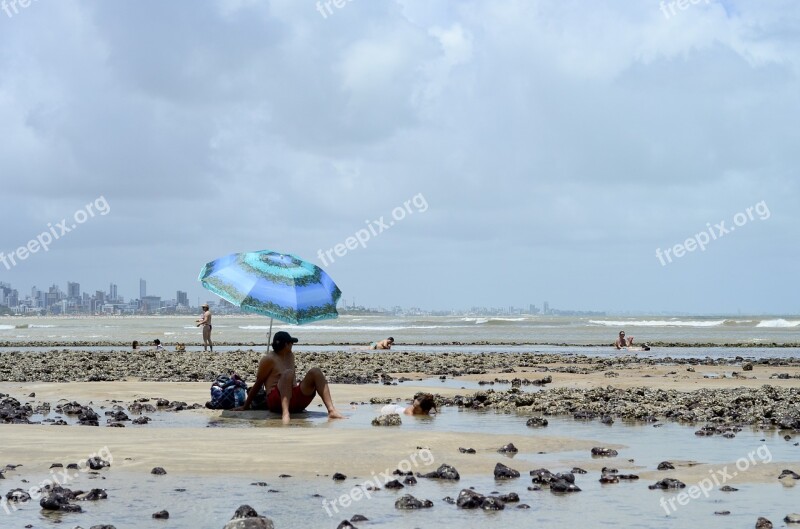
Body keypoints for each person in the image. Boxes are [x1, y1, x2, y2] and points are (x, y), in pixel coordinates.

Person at [234, 331, 345, 424]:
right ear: (286, 344)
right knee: (287, 373)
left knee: (315, 371)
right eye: (291, 342)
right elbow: (259, 383)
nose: (293, 344)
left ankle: (331, 410)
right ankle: (285, 414)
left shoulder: (290, 356)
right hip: (276, 401)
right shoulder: (268, 359)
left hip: (293, 398)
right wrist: (246, 406)